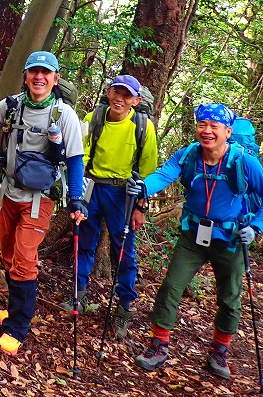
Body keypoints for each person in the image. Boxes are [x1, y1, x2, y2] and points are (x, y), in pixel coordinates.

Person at [133, 104, 263, 380]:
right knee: (171, 287)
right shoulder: (189, 154)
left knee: (230, 298)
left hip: (230, 239)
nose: (207, 131)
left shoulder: (243, 162)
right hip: (193, 234)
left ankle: (219, 351)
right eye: (202, 124)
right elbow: (165, 174)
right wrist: (143, 187)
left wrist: (256, 227)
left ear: (228, 132)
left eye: (214, 126)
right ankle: (158, 345)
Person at [0, 51, 86, 356]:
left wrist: (77, 199)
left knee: (25, 258)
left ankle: (17, 327)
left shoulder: (64, 115)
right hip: (8, 191)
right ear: (26, 76)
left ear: (55, 78)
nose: (39, 77)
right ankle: (14, 310)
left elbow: (75, 160)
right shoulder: (11, 106)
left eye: (45, 72)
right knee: (9, 255)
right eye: (34, 71)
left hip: (40, 198)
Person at [61, 74, 157, 340]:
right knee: (84, 242)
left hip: (124, 193)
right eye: (117, 92)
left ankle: (124, 307)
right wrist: (77, 192)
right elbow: (80, 155)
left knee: (124, 251)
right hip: (92, 187)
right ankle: (78, 295)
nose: (120, 99)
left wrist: (141, 206)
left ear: (136, 100)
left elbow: (148, 170)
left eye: (127, 95)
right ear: (108, 92)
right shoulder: (95, 118)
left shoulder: (143, 127)